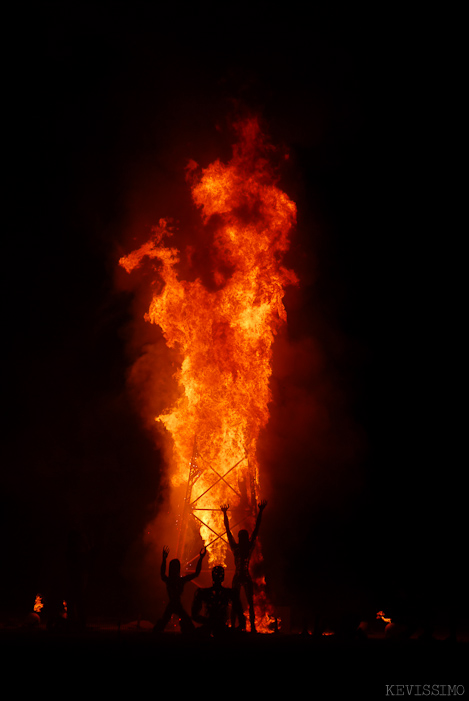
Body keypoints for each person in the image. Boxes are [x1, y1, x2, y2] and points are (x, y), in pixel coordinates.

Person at [221, 500, 267, 632]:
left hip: (243, 577)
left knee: (249, 603)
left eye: (242, 536)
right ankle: (236, 625)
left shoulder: (242, 548)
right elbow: (228, 531)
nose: (242, 538)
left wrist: (261, 512)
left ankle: (251, 626)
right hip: (242, 576)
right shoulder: (243, 548)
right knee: (239, 602)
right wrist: (224, 514)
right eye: (242, 536)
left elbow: (256, 529)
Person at [154, 545, 206, 633]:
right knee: (186, 623)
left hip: (174, 604)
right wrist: (201, 558)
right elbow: (196, 573)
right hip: (175, 604)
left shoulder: (172, 580)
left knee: (165, 622)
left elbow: (162, 574)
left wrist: (164, 559)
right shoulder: (178, 580)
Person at [191, 565, 245, 636]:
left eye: (219, 574)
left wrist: (208, 621)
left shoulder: (203, 592)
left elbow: (194, 615)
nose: (218, 576)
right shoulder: (229, 593)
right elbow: (194, 615)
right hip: (215, 627)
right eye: (217, 574)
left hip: (215, 627)